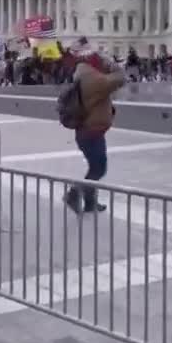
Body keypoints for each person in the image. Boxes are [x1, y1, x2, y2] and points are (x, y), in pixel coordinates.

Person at [65, 38, 125, 214]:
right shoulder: (91, 78)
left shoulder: (84, 74)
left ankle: (90, 203)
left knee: (94, 167)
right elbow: (120, 78)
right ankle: (73, 194)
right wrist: (110, 63)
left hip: (90, 130)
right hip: (91, 132)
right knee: (98, 168)